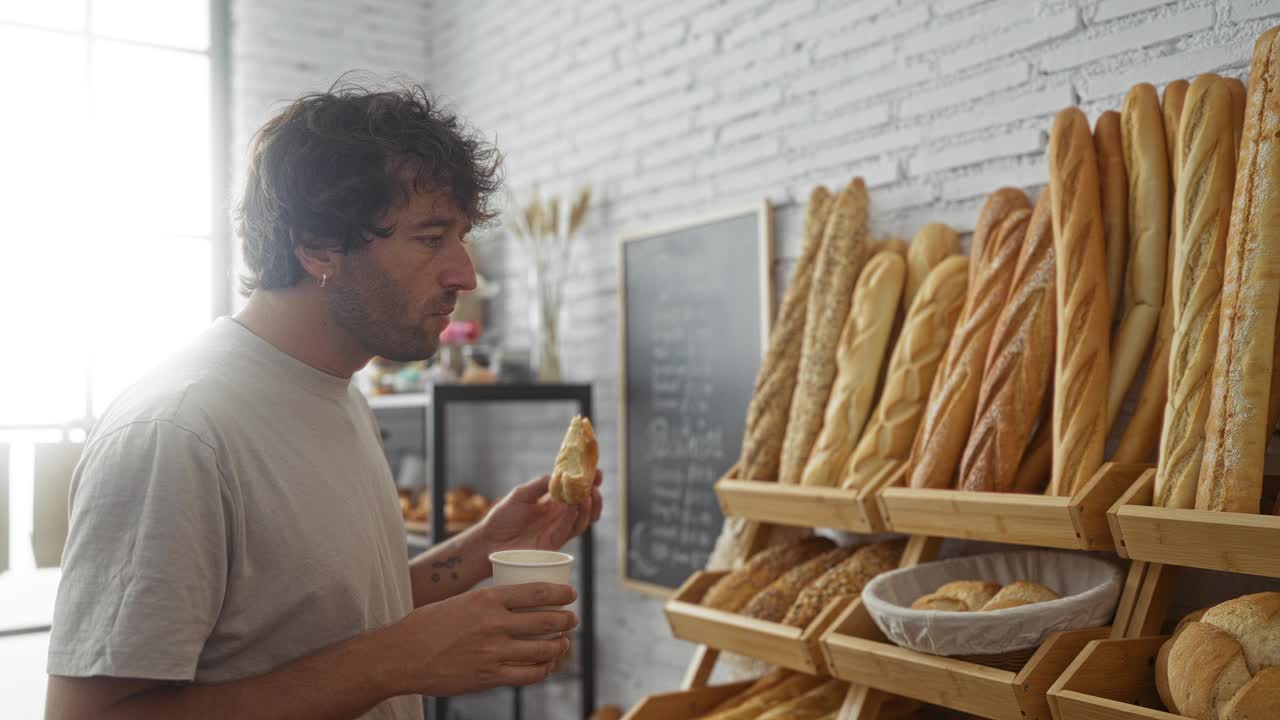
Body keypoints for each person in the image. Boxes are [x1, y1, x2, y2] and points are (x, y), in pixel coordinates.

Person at [44, 82, 603, 720]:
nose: (465, 274)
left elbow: (332, 622)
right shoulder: (178, 432)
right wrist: (397, 661)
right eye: (430, 238)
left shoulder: (337, 391)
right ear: (316, 246)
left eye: (462, 237)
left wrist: (483, 546)